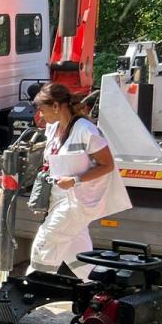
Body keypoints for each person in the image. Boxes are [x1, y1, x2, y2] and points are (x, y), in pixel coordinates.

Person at [28, 83, 130, 279]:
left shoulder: (86, 130)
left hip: (76, 202)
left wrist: (75, 180)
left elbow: (107, 165)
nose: (40, 115)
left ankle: (29, 290)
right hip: (60, 200)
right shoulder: (53, 129)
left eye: (42, 109)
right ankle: (103, 290)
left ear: (57, 106)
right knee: (80, 258)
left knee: (45, 243)